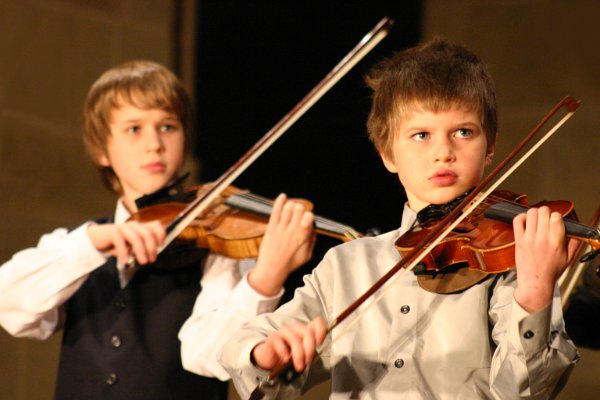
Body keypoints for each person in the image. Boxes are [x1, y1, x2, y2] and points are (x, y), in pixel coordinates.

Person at [218, 38, 580, 399]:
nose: (443, 152)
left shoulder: (511, 264)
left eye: (463, 132)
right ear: (387, 154)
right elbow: (245, 351)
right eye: (421, 135)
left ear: (491, 148)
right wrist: (266, 355)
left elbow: (525, 394)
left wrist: (534, 294)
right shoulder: (346, 267)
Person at [0, 60, 315, 400]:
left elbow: (208, 355)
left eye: (167, 127)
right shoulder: (77, 248)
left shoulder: (214, 248)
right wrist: (92, 244)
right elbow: (10, 305)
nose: (154, 144)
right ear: (101, 148)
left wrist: (266, 277)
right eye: (134, 129)